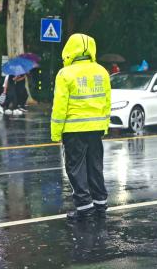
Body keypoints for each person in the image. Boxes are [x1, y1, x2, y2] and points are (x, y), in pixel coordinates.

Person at [51, 33, 111, 221]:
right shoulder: (102, 71)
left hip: (73, 130)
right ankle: (100, 204)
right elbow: (107, 101)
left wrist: (56, 133)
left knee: (76, 168)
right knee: (95, 165)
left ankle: (84, 208)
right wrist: (105, 126)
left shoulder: (65, 74)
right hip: (96, 128)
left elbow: (60, 106)